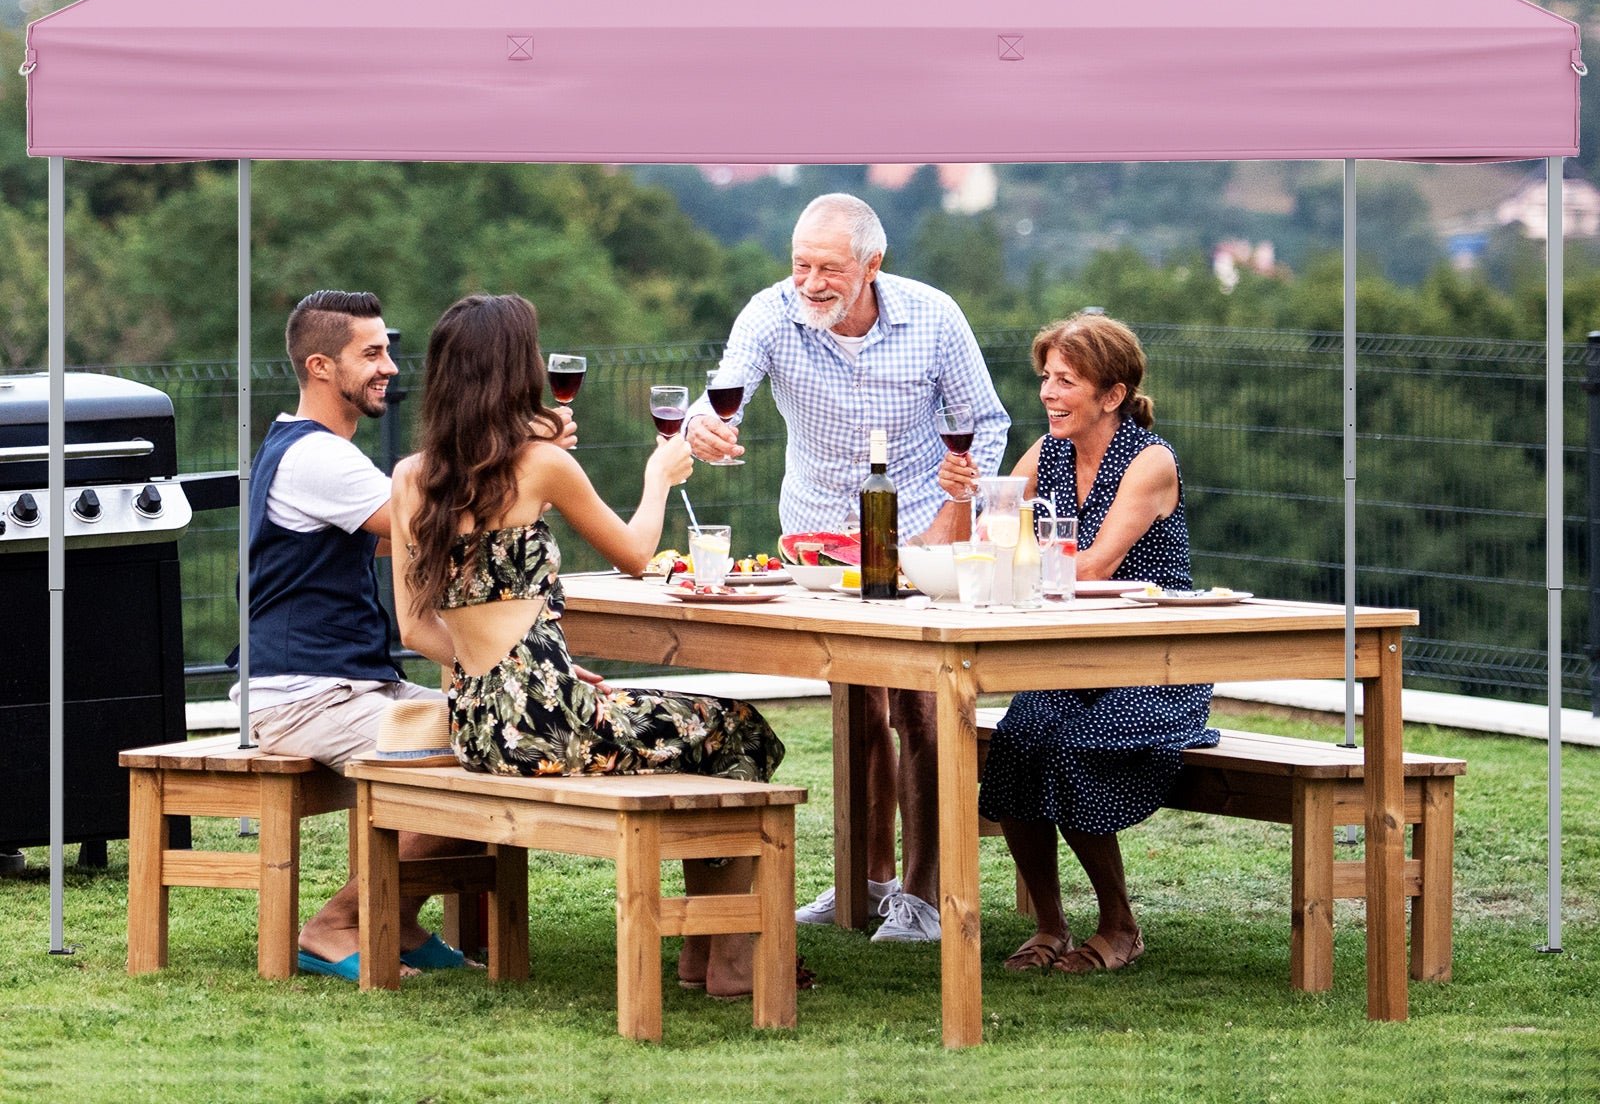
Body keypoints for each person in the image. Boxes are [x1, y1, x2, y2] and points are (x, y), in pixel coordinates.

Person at [389, 292, 788, 1000]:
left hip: (482, 724)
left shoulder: (411, 477)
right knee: (737, 726)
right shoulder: (540, 464)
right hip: (549, 725)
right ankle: (724, 958)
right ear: (517, 371)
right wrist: (658, 476)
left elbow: (417, 630)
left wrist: (524, 672)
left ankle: (704, 954)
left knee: (695, 726)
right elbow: (637, 552)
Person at [686, 192, 1009, 943]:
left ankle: (924, 898)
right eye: (801, 264)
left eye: (829, 267)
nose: (811, 282)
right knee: (858, 708)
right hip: (820, 535)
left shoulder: (933, 316)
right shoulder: (771, 313)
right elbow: (721, 401)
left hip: (921, 528)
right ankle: (865, 884)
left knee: (920, 707)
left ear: (873, 264)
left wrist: (950, 510)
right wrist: (707, 429)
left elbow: (985, 422)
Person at [940, 312, 1218, 975]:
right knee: (1014, 744)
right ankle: (1051, 925)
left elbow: (1089, 567)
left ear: (1112, 394)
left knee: (1074, 746)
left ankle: (1120, 925)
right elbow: (987, 542)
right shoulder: (1046, 453)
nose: (1048, 393)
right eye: (1045, 378)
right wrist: (969, 498)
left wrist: (1008, 538)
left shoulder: (1148, 460)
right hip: (1074, 658)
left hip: (1160, 664)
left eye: (1066, 381)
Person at [235, 289, 499, 978]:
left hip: (341, 683)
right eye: (372, 353)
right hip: (301, 694)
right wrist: (521, 461)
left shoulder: (308, 448)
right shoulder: (320, 458)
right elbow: (432, 528)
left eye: (389, 350)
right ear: (321, 366)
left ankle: (402, 921)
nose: (389, 366)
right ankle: (337, 923)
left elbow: (398, 540)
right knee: (484, 736)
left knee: (499, 727)